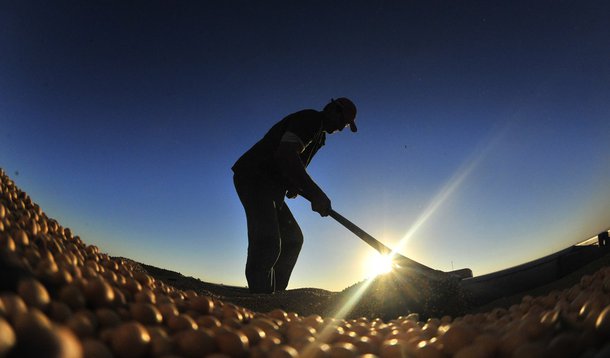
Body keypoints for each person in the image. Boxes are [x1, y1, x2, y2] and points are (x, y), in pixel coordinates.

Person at [232, 97, 358, 293]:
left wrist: (294, 185)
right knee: (268, 241)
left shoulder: (320, 138)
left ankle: (275, 296)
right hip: (255, 177)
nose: (341, 128)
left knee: (293, 240)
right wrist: (316, 193)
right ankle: (260, 300)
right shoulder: (311, 119)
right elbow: (286, 155)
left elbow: (293, 165)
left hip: (273, 188)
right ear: (334, 110)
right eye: (343, 122)